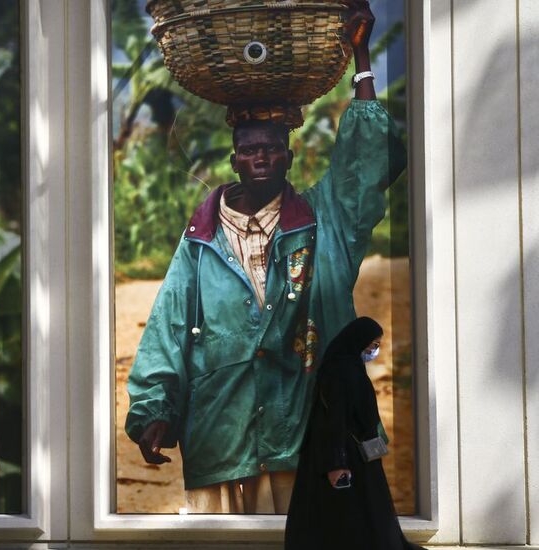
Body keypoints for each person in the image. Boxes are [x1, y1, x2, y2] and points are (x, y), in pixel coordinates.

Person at [124, 0, 406, 514]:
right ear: (233, 159)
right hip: (220, 439)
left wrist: (362, 57)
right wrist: (154, 410)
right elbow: (167, 330)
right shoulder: (201, 240)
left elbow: (366, 161)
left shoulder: (325, 221)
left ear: (289, 156)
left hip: (304, 439)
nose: (261, 157)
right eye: (250, 149)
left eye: (273, 147)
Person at [285, 317, 423, 549]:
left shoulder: (347, 367)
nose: (374, 350)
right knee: (350, 514)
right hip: (346, 455)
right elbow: (334, 418)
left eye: (377, 345)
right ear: (358, 340)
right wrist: (336, 463)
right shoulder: (341, 371)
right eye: (373, 344)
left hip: (352, 453)